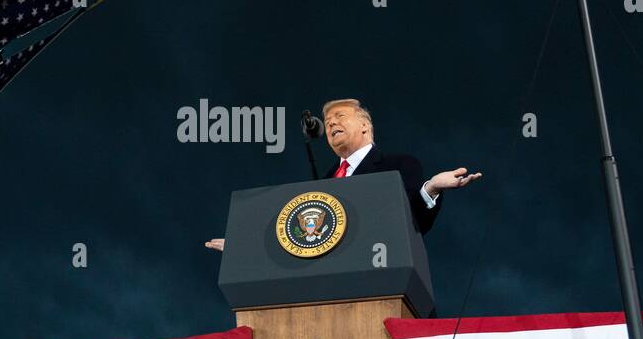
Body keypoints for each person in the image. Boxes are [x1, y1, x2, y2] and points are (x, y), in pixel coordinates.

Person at [205, 97, 481, 250]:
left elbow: (415, 222)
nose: (331, 122)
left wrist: (431, 188)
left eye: (340, 116)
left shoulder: (400, 165)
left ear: (365, 125)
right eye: (327, 121)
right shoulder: (324, 182)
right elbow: (304, 238)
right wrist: (247, 249)